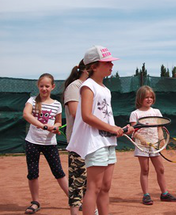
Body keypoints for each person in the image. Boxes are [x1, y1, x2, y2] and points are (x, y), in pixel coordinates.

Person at [66, 45, 132, 215]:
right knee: (94, 188)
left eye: (111, 62)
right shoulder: (87, 86)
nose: (111, 65)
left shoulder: (106, 89)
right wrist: (111, 128)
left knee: (105, 186)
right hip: (95, 143)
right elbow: (86, 116)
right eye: (107, 62)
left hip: (108, 141)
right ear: (94, 66)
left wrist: (120, 129)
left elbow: (105, 117)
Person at [23, 73, 69, 214]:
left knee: (59, 172)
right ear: (38, 86)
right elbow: (26, 114)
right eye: (41, 86)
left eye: (47, 86)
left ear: (52, 87)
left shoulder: (56, 105)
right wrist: (44, 126)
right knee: (33, 173)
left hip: (50, 144)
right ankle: (35, 202)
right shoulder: (31, 100)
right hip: (32, 142)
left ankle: (74, 200)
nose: (44, 89)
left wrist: (55, 127)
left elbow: (58, 122)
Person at [129, 85, 176, 205]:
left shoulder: (156, 112)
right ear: (140, 98)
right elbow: (134, 132)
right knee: (145, 170)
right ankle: (146, 195)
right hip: (142, 147)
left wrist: (161, 141)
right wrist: (142, 140)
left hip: (155, 146)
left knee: (160, 169)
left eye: (151, 97)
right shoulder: (135, 114)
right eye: (146, 97)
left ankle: (164, 193)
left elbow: (160, 129)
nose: (149, 99)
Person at [63, 59, 91, 215]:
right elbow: (75, 113)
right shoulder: (75, 87)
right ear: (87, 69)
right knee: (77, 182)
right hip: (79, 143)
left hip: (93, 143)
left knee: (92, 183)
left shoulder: (93, 88)